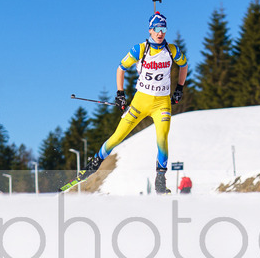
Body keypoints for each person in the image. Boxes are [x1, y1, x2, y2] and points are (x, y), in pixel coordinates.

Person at [78, 11, 188, 194]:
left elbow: (184, 65)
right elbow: (121, 68)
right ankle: (93, 163)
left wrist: (179, 88)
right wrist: (120, 93)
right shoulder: (140, 49)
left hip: (162, 104)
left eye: (163, 29)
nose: (160, 33)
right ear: (150, 30)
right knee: (118, 136)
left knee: (162, 138)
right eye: (157, 29)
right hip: (140, 101)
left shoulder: (172, 50)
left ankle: (160, 180)